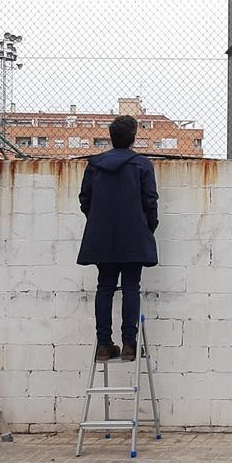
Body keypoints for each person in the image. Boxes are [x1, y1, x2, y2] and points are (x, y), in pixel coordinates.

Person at [77, 115, 159, 362]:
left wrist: (99, 222)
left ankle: (103, 344)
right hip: (133, 235)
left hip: (102, 235)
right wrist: (147, 228)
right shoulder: (142, 165)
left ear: (110, 138)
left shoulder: (95, 164)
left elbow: (85, 200)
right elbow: (150, 202)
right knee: (131, 287)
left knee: (105, 287)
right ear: (133, 138)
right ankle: (129, 344)